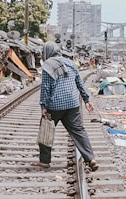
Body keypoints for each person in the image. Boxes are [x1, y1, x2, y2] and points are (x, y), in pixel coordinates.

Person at [37, 41, 98, 171]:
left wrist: (43, 106)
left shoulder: (48, 65)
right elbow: (80, 83)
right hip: (72, 104)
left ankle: (44, 161)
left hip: (55, 105)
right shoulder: (70, 63)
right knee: (78, 131)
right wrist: (87, 100)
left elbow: (45, 88)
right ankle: (91, 158)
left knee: (46, 130)